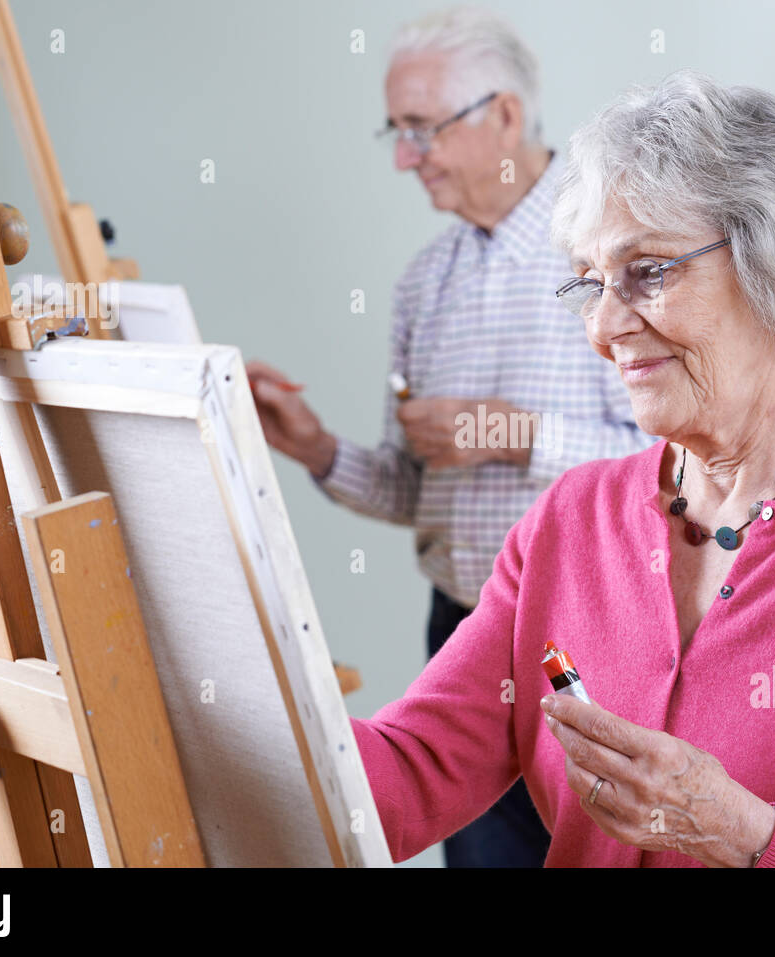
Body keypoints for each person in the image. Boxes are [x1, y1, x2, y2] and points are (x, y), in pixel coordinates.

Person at [346, 70, 775, 866]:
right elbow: (406, 772)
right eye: (592, 283)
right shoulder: (570, 521)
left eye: (649, 272)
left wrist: (745, 834)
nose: (604, 327)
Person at [247, 8, 652, 867]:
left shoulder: (615, 255)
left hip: (605, 632)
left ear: (505, 116)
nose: (405, 156)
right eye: (395, 132)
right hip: (463, 634)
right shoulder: (423, 284)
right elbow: (415, 489)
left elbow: (675, 466)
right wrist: (316, 447)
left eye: (422, 129)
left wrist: (507, 433)